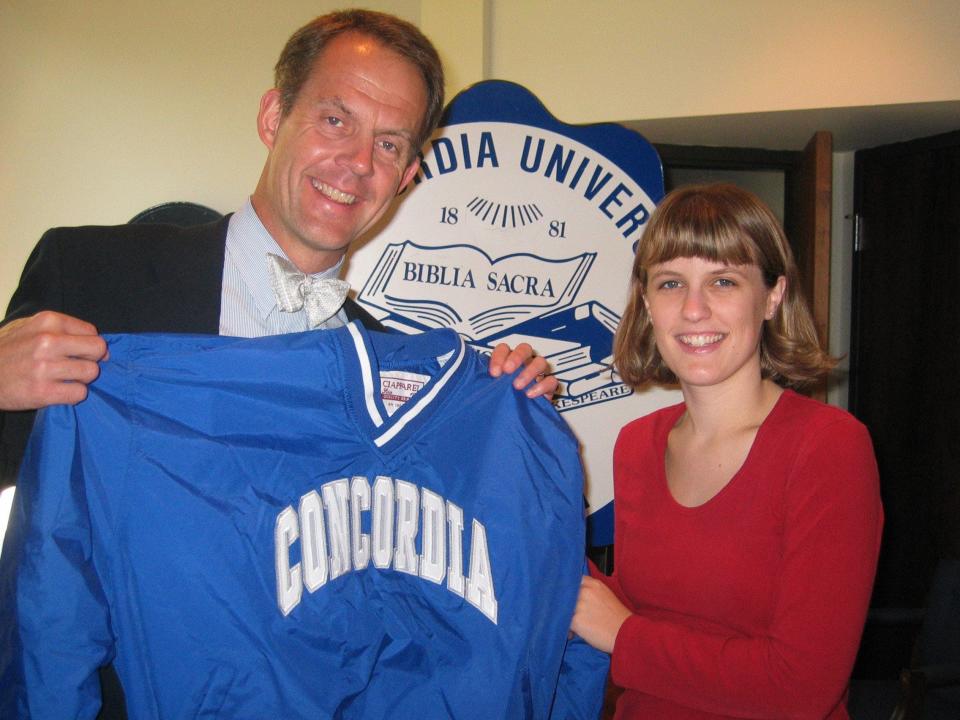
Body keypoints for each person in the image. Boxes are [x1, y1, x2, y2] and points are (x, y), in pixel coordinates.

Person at [0, 9, 555, 490]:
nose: (360, 162)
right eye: (336, 121)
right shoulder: (91, 274)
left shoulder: (397, 378)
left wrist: (511, 426)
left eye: (388, 145)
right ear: (273, 118)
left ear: (406, 176)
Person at [570, 183, 883, 719]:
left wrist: (624, 637)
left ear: (772, 296)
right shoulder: (638, 444)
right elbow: (650, 602)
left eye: (723, 281)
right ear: (646, 301)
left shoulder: (828, 448)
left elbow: (801, 688)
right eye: (671, 283)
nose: (694, 310)